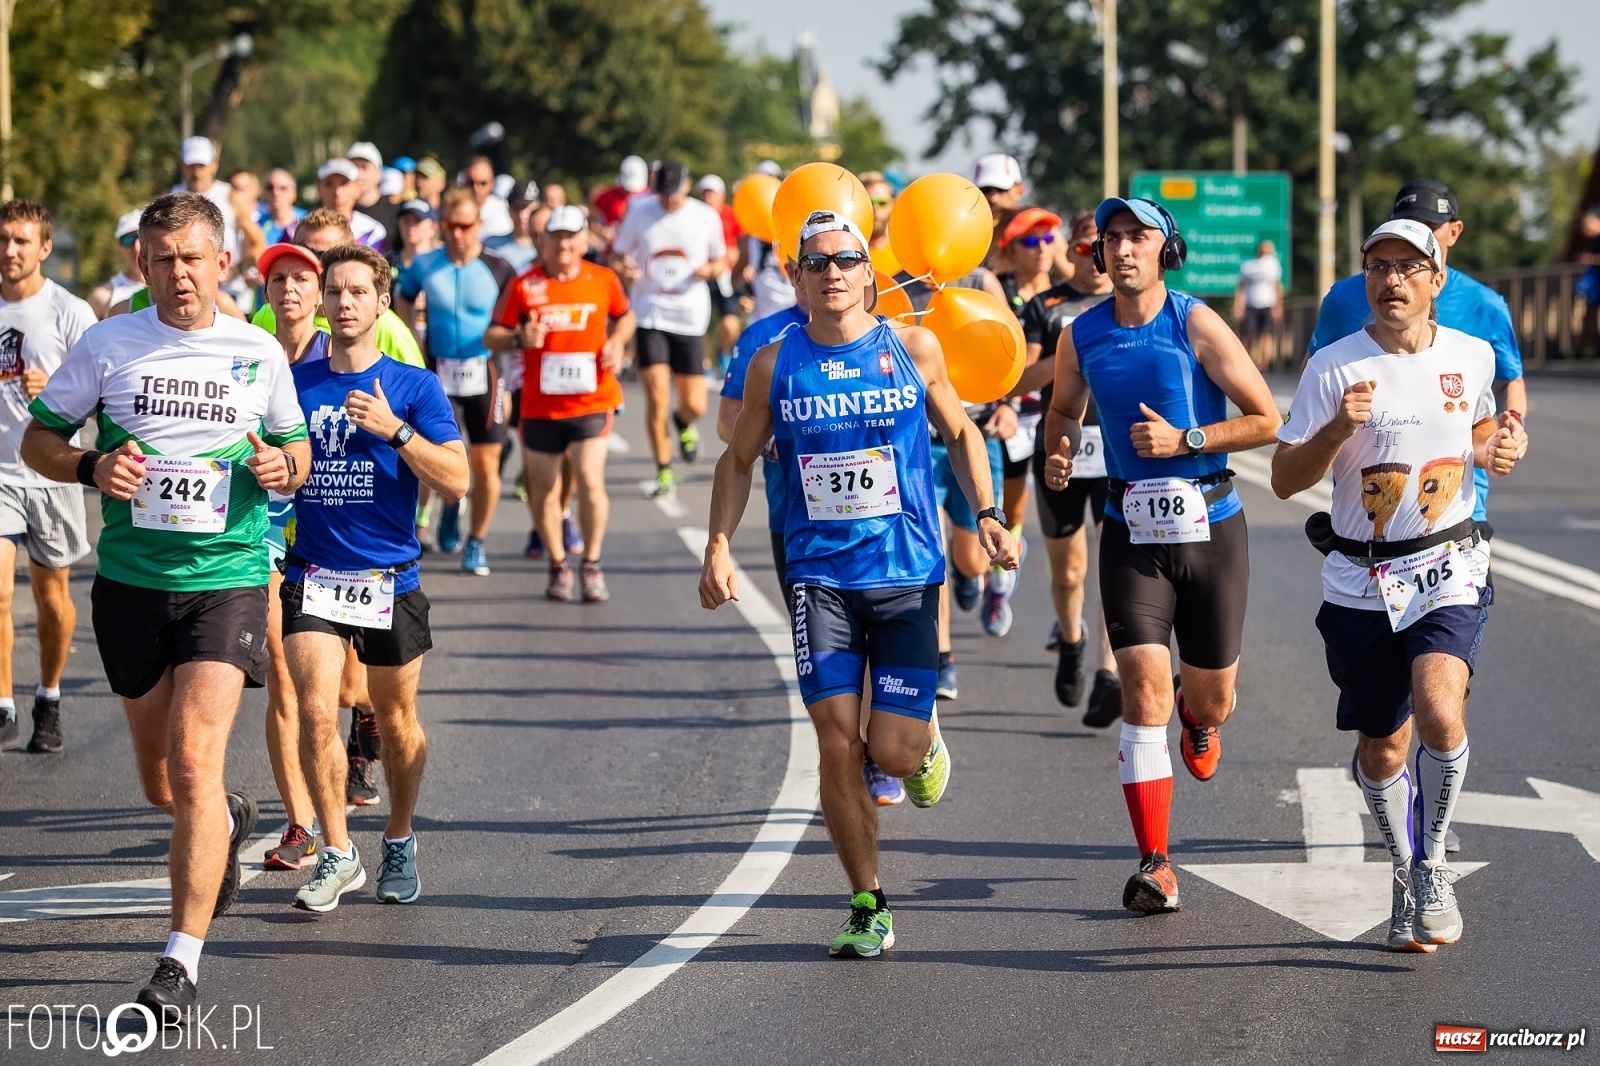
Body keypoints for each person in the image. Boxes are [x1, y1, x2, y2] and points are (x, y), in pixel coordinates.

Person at [20, 192, 310, 1013]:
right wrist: (87, 468)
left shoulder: (257, 353)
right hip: (131, 585)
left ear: (223, 262)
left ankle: (178, 963)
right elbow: (37, 440)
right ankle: (224, 818)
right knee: (164, 786)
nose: (178, 273)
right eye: (162, 258)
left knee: (192, 761)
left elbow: (295, 451)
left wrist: (283, 468)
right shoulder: (111, 343)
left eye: (193, 257)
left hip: (227, 579)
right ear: (140, 263)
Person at [700, 209, 1018, 957]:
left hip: (907, 571)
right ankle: (867, 901)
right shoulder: (774, 364)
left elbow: (962, 431)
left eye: (846, 260)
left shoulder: (913, 346)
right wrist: (718, 543)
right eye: (817, 263)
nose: (833, 272)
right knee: (836, 743)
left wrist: (989, 513)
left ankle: (920, 744)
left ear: (871, 273)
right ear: (796, 277)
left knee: (894, 753)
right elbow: (738, 459)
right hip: (820, 577)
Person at [1272, 218, 1527, 950]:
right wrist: (1331, 434)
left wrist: (1499, 444)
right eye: (1379, 267)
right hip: (1359, 577)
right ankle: (1405, 864)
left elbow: (1473, 436)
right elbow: (1286, 481)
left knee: (1440, 710)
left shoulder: (1472, 356)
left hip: (1448, 561)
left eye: (1408, 268)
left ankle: (1434, 861)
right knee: (1383, 750)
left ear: (1436, 279)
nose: (1392, 281)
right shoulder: (1332, 366)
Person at [1043, 196, 1280, 914]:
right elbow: (1062, 409)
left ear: (1162, 248)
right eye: (1111, 238)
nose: (1122, 249)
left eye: (1137, 237)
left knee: (1209, 697)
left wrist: (1189, 442)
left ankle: (1200, 714)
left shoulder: (1195, 321)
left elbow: (1268, 417)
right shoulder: (1081, 336)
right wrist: (1059, 449)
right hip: (1131, 532)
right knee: (1141, 693)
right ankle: (1156, 863)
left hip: (1212, 527)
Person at [282, 242, 468, 911]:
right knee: (313, 710)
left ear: (382, 301)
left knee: (396, 719)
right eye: (334, 290)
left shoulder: (413, 387)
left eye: (358, 291)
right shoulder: (296, 384)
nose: (344, 302)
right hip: (314, 572)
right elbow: (273, 462)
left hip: (390, 576)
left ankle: (397, 836)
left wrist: (395, 432)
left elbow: (458, 479)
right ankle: (338, 850)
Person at [1309, 179, 1526, 528]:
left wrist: (1508, 430)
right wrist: (1335, 426)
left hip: (1458, 515)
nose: (1392, 281)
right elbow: (1316, 371)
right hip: (1371, 511)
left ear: (1454, 232)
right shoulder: (1347, 295)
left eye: (1430, 226)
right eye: (1379, 266)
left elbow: (1506, 383)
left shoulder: (1484, 307)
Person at [486, 205, 634, 601]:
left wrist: (617, 343)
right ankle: (557, 564)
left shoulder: (602, 279)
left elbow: (625, 317)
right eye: (557, 237)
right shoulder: (524, 285)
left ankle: (592, 563)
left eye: (572, 237)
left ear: (584, 241)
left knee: (589, 478)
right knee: (544, 490)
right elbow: (493, 335)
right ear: (544, 242)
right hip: (540, 404)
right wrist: (518, 339)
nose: (565, 244)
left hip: (593, 398)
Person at [1013, 210, 1118, 718]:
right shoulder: (1045, 307)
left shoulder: (1130, 305)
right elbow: (1019, 381)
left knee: (1115, 562)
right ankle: (1072, 643)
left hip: (1118, 450)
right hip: (1060, 446)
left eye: (1103, 249)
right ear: (1068, 252)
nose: (1095, 260)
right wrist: (1072, 354)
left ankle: (1107, 672)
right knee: (1070, 571)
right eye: (1083, 250)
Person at [0, 201, 94, 754]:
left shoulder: (69, 311)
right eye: (3, 239)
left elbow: (97, 393)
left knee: (50, 594)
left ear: (44, 248)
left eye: (20, 241)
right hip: (0, 471)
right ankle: (4, 703)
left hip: (52, 466)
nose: (9, 251)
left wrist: (55, 390)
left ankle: (49, 695)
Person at [255, 241, 331, 870]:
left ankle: (348, 757)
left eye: (301, 279)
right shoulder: (248, 355)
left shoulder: (343, 355)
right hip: (267, 537)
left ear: (321, 290)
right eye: (277, 279)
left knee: (340, 690)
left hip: (338, 539)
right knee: (283, 674)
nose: (289, 290)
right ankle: (300, 822)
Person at [396, 189, 517, 574]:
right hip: (437, 370)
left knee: (485, 463)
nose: (458, 233)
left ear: (479, 225)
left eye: (465, 225)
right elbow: (403, 298)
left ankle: (476, 541)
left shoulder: (500, 268)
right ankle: (447, 507)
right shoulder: (426, 264)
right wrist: (410, 346)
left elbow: (513, 321)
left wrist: (512, 377)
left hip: (485, 371)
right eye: (450, 225)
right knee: (429, 453)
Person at [610, 159, 727, 496]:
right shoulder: (639, 211)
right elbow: (618, 255)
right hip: (651, 315)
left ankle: (684, 422)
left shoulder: (705, 216)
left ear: (686, 186)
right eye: (663, 193)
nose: (669, 200)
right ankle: (663, 467)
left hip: (690, 317)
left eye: (674, 193)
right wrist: (626, 271)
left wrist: (711, 269)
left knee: (695, 403)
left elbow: (722, 259)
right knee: (657, 396)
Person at [251, 209, 425, 369]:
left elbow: (416, 391)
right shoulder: (268, 315)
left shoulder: (385, 326)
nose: (315, 264)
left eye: (324, 256)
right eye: (304, 252)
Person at [992, 206, 1062, 565]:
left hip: (1052, 413)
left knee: (1055, 519)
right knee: (1010, 507)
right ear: (1011, 248)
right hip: (1007, 412)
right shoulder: (995, 290)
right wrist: (1003, 399)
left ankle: (1009, 578)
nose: (1041, 248)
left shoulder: (1066, 294)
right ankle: (999, 569)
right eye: (1031, 240)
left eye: (1048, 238)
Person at [697, 175, 743, 374]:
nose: (709, 197)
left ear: (722, 195)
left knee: (730, 323)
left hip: (725, 277)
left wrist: (735, 257)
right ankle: (703, 363)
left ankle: (723, 352)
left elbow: (743, 246)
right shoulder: (692, 215)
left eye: (713, 193)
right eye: (705, 192)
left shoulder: (732, 215)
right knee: (700, 323)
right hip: (700, 274)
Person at [315, 158, 387, 250]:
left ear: (357, 188)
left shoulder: (372, 232)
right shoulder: (300, 231)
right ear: (318, 188)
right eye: (329, 184)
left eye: (344, 183)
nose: (337, 192)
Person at [1233, 239, 1283, 369]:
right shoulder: (1248, 265)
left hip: (1267, 303)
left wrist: (1278, 306)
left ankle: (1264, 362)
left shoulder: (1273, 264)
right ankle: (1248, 360)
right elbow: (1241, 288)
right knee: (1249, 334)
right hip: (1251, 303)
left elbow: (1276, 285)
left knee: (1266, 335)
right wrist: (1238, 306)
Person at [88, 209, 146, 319]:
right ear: (118, 246)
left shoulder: (171, 289)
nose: (136, 248)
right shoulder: (102, 297)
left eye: (142, 238)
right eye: (128, 240)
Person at [591, 155, 649, 251]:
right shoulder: (606, 196)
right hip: (611, 253)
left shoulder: (650, 198)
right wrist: (602, 231)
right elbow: (592, 221)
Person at [347, 142, 399, 246]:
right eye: (354, 167)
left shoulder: (396, 213)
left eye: (365, 168)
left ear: (378, 174)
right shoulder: (339, 212)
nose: (359, 174)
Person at [485, 180, 539, 273]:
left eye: (528, 208)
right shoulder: (491, 247)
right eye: (517, 209)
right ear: (509, 211)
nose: (522, 215)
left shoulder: (546, 249)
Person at [463, 156, 514, 239]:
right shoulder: (452, 212)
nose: (476, 188)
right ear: (463, 182)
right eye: (471, 183)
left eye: (483, 183)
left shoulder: (505, 212)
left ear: (491, 183)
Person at [258, 168, 306, 245]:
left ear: (293, 194)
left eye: (283, 188)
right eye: (270, 188)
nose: (275, 192)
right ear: (264, 193)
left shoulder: (307, 221)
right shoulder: (258, 227)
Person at [392, 199, 440, 272]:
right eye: (406, 220)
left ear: (433, 228)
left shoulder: (440, 265)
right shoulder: (389, 262)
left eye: (417, 220)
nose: (411, 226)